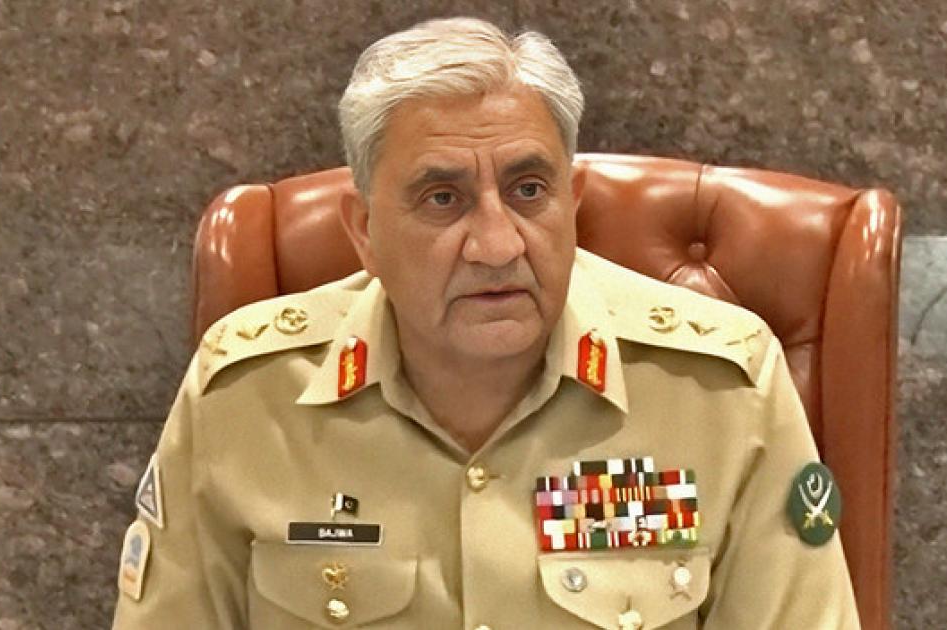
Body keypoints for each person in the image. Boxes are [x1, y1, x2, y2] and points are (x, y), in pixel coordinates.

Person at [112, 17, 860, 630]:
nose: (498, 245)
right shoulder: (246, 395)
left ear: (574, 205)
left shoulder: (722, 390)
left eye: (529, 190)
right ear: (365, 231)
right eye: (443, 199)